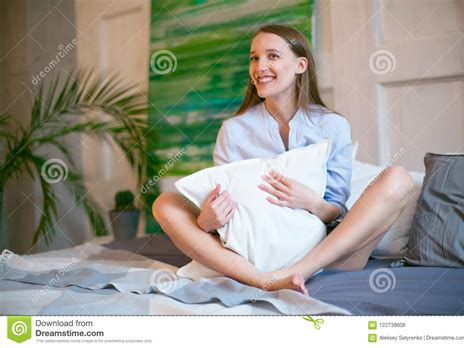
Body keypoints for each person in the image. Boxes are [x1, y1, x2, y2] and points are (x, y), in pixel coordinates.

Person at [153, 24, 413, 295]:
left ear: (301, 65)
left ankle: (299, 270)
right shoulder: (234, 130)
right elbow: (226, 213)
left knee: (399, 178)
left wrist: (311, 202)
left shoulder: (332, 125)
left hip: (329, 255)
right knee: (165, 203)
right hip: (252, 256)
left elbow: (336, 210)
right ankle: (259, 279)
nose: (260, 66)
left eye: (272, 56)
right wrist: (206, 221)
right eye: (254, 58)